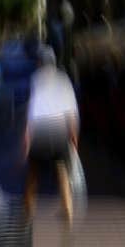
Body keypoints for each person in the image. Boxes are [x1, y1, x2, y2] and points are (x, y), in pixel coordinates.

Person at [23, 46, 80, 225]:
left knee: (33, 174)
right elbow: (71, 112)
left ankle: (28, 212)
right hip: (58, 130)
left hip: (40, 130)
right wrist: (73, 136)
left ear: (40, 62)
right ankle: (68, 211)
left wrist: (27, 138)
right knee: (62, 173)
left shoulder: (35, 80)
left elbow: (31, 112)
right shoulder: (64, 80)